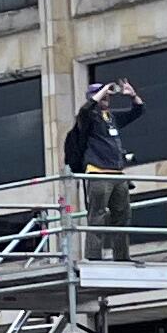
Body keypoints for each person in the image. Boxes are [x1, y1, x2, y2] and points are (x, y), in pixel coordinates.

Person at [62, 79, 149, 260]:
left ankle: (122, 257)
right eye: (103, 96)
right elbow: (85, 109)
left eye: (108, 96)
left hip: (117, 175)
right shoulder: (88, 119)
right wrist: (101, 92)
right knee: (97, 217)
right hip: (98, 173)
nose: (106, 99)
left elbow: (139, 111)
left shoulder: (111, 118)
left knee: (122, 216)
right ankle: (94, 258)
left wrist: (133, 96)